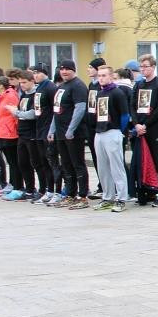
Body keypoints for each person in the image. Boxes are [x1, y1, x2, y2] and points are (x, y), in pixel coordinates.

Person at [132, 54, 158, 207]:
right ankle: (148, 190)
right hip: (141, 129)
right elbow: (132, 106)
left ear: (153, 67)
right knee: (144, 160)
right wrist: (136, 124)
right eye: (141, 67)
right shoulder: (139, 85)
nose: (143, 69)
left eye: (146, 66)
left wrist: (146, 125)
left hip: (155, 129)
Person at [48, 60, 90, 208]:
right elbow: (56, 110)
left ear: (73, 70)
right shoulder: (62, 87)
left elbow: (80, 109)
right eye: (62, 69)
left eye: (67, 69)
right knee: (66, 164)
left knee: (77, 164)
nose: (64, 72)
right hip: (60, 133)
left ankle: (83, 196)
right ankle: (70, 194)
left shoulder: (78, 86)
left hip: (74, 134)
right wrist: (52, 130)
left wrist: (71, 129)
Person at [92, 65, 131, 213]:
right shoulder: (100, 93)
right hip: (100, 132)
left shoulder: (117, 93)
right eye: (99, 76)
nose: (101, 78)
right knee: (103, 168)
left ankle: (121, 198)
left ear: (110, 76)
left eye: (104, 75)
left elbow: (125, 115)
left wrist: (120, 131)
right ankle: (107, 197)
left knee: (116, 167)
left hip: (113, 131)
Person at [10, 70, 48, 202]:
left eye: (24, 82)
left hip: (32, 134)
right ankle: (30, 189)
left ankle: (43, 189)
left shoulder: (35, 95)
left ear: (32, 81)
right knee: (23, 162)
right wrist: (16, 112)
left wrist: (17, 112)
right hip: (22, 133)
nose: (22, 85)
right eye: (20, 83)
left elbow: (32, 114)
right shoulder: (23, 95)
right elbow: (20, 111)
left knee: (37, 163)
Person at [29, 64, 61, 205]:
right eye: (34, 73)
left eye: (38, 73)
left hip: (48, 129)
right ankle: (49, 190)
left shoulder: (50, 87)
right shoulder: (39, 88)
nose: (35, 76)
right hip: (39, 129)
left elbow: (56, 110)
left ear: (45, 73)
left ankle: (58, 191)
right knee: (44, 162)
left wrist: (52, 130)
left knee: (52, 162)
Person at [0, 74, 24, 197]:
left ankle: (18, 187)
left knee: (14, 162)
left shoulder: (11, 96)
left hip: (10, 133)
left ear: (1, 86)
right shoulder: (1, 97)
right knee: (11, 162)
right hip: (2, 132)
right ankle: (13, 185)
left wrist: (15, 129)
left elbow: (15, 115)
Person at [85, 58, 105, 198]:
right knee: (95, 157)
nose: (88, 69)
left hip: (100, 126)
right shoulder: (91, 85)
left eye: (91, 67)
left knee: (103, 158)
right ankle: (101, 185)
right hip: (90, 126)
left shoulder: (101, 86)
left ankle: (107, 186)